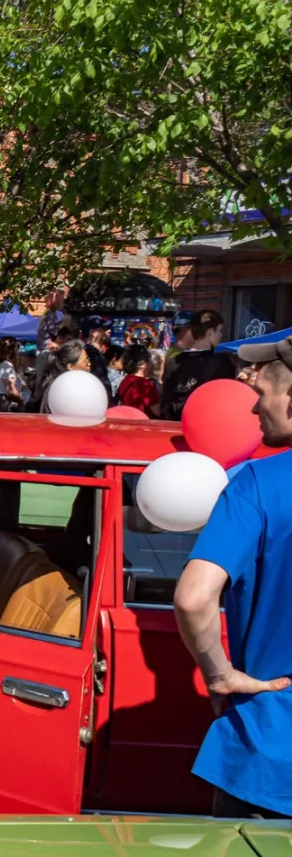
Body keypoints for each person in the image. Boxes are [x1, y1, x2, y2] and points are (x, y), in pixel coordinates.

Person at [174, 334, 292, 818]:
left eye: (263, 394)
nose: (255, 408)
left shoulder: (257, 485)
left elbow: (193, 597)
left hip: (270, 751)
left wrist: (219, 676)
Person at [161, 309, 236, 421]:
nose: (221, 335)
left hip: (174, 424)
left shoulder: (172, 362)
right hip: (205, 424)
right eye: (220, 331)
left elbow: (166, 398)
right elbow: (226, 402)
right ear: (210, 332)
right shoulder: (222, 362)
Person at [37, 339, 92, 412]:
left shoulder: (83, 389)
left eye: (88, 359)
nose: (89, 364)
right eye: (85, 361)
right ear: (71, 367)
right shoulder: (59, 392)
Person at [116, 345, 162, 417]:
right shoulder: (146, 386)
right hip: (141, 421)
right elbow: (157, 412)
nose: (150, 364)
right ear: (142, 365)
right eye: (148, 361)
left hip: (126, 419)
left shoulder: (126, 379)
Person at [0, 336, 29, 412]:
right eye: (17, 348)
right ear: (13, 351)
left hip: (4, 402)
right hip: (7, 404)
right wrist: (22, 399)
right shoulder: (6, 366)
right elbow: (11, 390)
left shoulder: (5, 366)